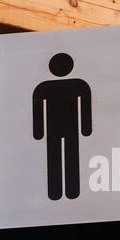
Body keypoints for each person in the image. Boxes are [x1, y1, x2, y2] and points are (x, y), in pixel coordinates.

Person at [32, 52, 92, 200]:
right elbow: (37, 109)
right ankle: (66, 191)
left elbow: (85, 106)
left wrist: (38, 132)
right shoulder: (78, 85)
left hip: (58, 129)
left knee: (60, 157)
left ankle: (59, 192)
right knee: (63, 157)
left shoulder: (44, 87)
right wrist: (86, 129)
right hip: (66, 128)